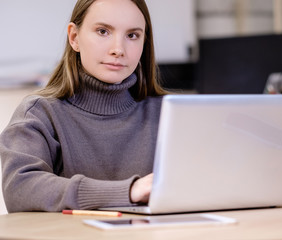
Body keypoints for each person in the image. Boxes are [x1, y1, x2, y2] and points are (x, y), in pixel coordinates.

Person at [0, 0, 167, 213]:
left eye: (132, 35)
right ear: (74, 37)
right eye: (103, 31)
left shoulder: (168, 113)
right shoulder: (39, 113)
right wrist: (129, 191)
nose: (118, 49)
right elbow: (20, 189)